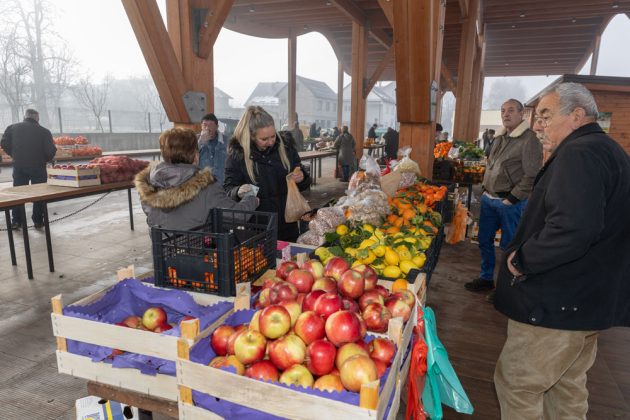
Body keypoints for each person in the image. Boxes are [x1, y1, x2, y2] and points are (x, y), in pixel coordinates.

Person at [493, 82, 630, 419]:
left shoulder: (578, 154)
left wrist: (522, 260)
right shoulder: (609, 151)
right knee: (566, 386)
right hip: (586, 301)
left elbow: (573, 228)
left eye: (545, 116)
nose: (538, 125)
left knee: (519, 385)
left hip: (555, 304)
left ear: (577, 115)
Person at [465, 99, 542, 293]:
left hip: (510, 203)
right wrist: (484, 189)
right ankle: (486, 278)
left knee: (509, 246)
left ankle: (505, 287)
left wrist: (512, 198)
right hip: (489, 199)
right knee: (484, 241)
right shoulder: (499, 137)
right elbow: (491, 165)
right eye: (502, 111)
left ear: (521, 114)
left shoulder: (529, 140)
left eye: (511, 110)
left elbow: (532, 174)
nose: (505, 114)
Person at [135, 128, 257, 231]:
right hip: (196, 249)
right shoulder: (206, 186)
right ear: (196, 155)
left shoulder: (149, 184)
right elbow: (237, 216)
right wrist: (251, 199)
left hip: (162, 249)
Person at [224, 106, 311, 242]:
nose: (271, 142)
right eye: (264, 139)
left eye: (273, 136)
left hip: (288, 223)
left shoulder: (286, 147)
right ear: (251, 136)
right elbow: (228, 189)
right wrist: (238, 191)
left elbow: (302, 176)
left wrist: (302, 178)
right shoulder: (237, 155)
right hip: (257, 228)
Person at [1, 109, 56, 230]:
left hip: (19, 165)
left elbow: (3, 142)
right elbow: (50, 151)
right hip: (38, 166)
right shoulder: (44, 131)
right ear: (37, 118)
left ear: (25, 117)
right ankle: (38, 221)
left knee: (18, 194)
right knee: (39, 194)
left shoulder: (12, 128)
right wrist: (44, 158)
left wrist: (14, 154)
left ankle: (16, 221)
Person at [197, 113, 227, 184]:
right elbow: (189, 158)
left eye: (210, 125)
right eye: (205, 125)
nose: (207, 128)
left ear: (217, 126)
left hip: (222, 184)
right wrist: (201, 142)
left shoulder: (226, 141)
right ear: (201, 126)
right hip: (202, 184)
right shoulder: (194, 140)